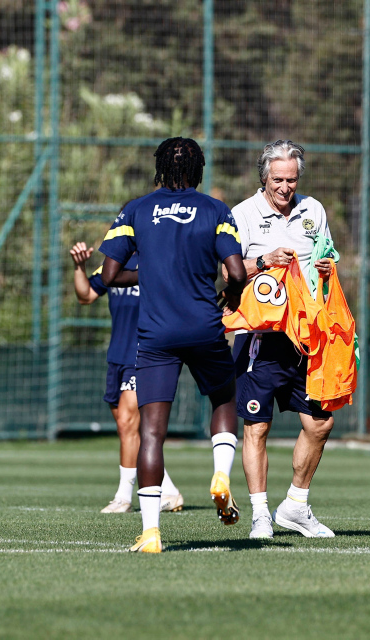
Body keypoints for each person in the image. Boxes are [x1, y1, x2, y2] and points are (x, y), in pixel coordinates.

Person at [99, 137, 247, 553]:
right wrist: (229, 290)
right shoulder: (216, 210)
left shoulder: (135, 209)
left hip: (156, 336)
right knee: (223, 398)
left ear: (160, 168)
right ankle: (220, 475)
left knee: (151, 433)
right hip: (203, 327)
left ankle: (150, 533)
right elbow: (235, 271)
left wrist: (151, 276)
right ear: (198, 170)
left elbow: (109, 275)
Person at [230, 140, 337, 540]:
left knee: (321, 422)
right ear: (264, 177)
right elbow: (226, 271)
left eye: (292, 180)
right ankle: (260, 514)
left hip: (305, 337)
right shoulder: (242, 214)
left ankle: (295, 506)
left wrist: (326, 265)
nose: (285, 187)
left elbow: (326, 254)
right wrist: (263, 261)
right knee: (257, 426)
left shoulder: (314, 210)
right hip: (261, 338)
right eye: (278, 179)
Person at [69, 240, 183, 514]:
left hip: (145, 353)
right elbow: (86, 295)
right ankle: (168, 490)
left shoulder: (161, 261)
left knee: (127, 422)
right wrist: (79, 266)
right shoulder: (113, 265)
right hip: (117, 355)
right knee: (132, 427)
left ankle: (123, 496)